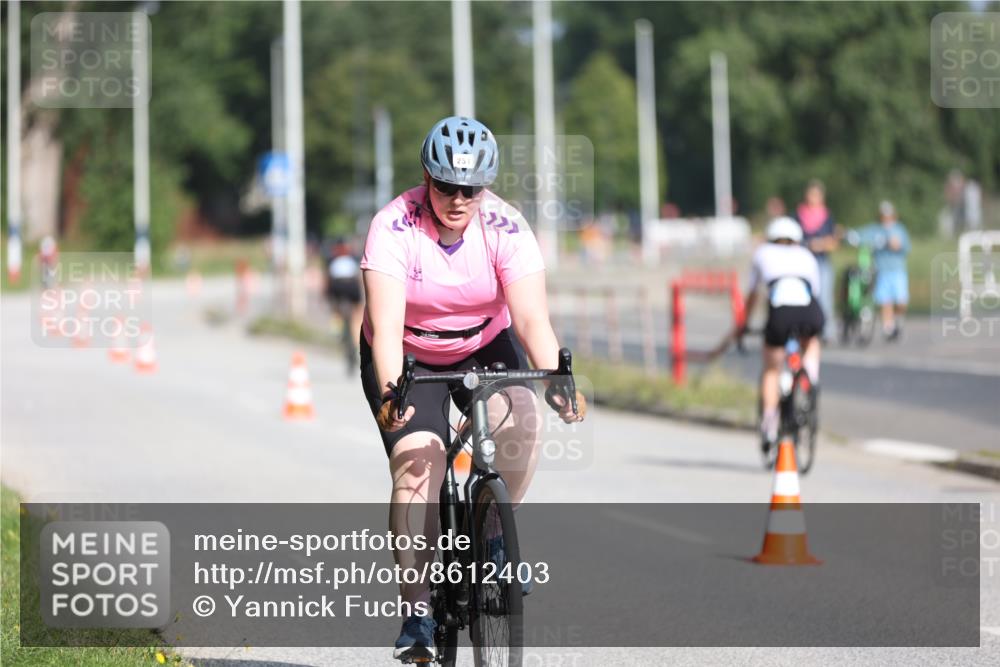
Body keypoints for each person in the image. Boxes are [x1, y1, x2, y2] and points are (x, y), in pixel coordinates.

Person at [359, 116, 587, 662]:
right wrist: (393, 392)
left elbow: (531, 320)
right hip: (409, 354)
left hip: (483, 344)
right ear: (426, 177)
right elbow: (386, 328)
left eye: (471, 189)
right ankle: (416, 614)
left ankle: (490, 535)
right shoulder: (394, 226)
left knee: (524, 418)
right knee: (419, 465)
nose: (458, 199)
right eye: (445, 186)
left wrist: (557, 376)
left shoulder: (506, 228)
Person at [736, 217, 824, 453]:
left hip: (780, 312)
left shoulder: (762, 253)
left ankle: (769, 423)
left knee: (772, 368)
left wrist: (744, 325)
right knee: (811, 342)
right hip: (810, 310)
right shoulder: (807, 255)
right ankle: (810, 378)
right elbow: (815, 291)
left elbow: (753, 295)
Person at [854, 201, 911, 341]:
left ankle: (897, 320)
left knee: (901, 301)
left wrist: (897, 245)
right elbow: (859, 236)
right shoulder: (874, 230)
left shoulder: (899, 229)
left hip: (897, 270)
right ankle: (889, 328)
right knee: (885, 301)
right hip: (881, 270)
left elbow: (906, 247)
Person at [794, 180, 838, 340]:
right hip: (802, 263)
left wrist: (820, 245)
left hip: (822, 262)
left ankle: (827, 331)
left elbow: (833, 242)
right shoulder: (798, 215)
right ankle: (804, 329)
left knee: (824, 297)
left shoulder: (827, 216)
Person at [323, 236, 364, 370]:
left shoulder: (331, 258)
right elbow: (359, 277)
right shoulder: (352, 256)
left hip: (337, 286)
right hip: (351, 286)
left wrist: (326, 295)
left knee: (335, 308)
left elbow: (327, 279)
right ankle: (357, 340)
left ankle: (336, 327)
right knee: (357, 314)